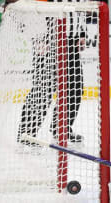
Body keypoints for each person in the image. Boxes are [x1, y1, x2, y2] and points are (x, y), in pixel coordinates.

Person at [17, 0, 85, 146]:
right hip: (49, 40)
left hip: (71, 41)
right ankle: (26, 133)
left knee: (75, 88)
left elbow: (79, 7)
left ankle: (61, 128)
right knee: (43, 89)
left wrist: (81, 32)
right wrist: (40, 37)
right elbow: (39, 8)